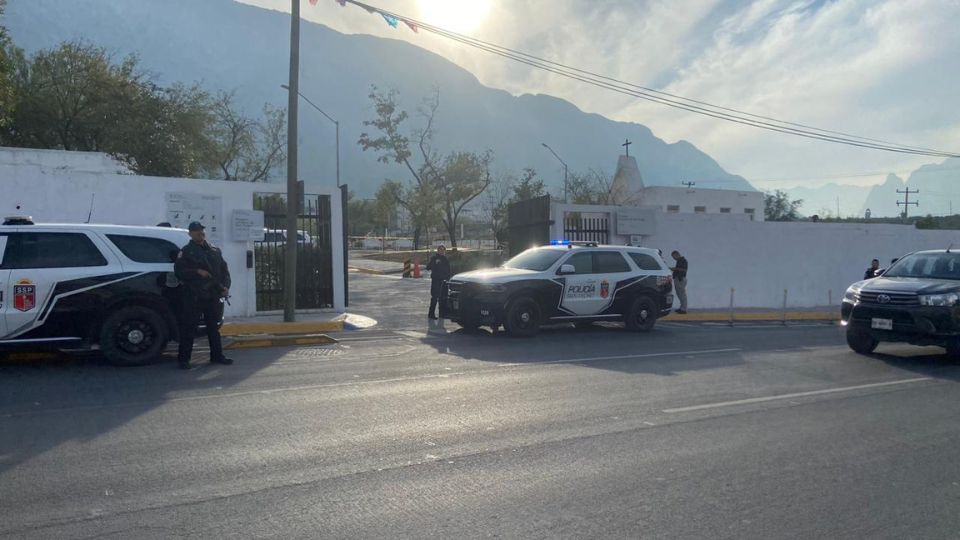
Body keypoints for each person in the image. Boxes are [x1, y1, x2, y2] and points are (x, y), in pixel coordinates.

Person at [174, 221, 233, 370]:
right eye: (195, 231)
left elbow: (224, 271)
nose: (199, 232)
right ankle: (184, 359)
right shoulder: (186, 251)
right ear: (190, 234)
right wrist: (197, 272)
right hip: (194, 296)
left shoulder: (214, 250)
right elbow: (179, 272)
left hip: (212, 295)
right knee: (189, 328)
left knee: (213, 328)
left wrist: (225, 287)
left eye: (201, 230)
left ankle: (217, 356)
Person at [426, 244, 451, 320]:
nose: (442, 251)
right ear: (438, 250)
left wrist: (448, 279)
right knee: (434, 298)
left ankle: (442, 314)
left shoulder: (446, 259)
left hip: (444, 281)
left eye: (443, 250)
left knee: (443, 298)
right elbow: (428, 267)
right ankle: (431, 314)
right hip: (436, 281)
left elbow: (448, 270)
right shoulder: (434, 258)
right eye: (440, 250)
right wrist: (434, 263)